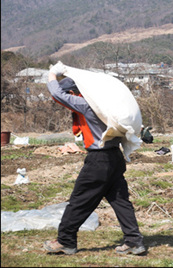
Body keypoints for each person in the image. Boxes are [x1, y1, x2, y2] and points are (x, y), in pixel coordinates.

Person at [43, 67, 145, 256]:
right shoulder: (108, 106)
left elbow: (57, 93)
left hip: (99, 160)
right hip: (115, 157)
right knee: (121, 201)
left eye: (71, 94)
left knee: (79, 201)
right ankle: (133, 241)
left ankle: (65, 241)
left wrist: (52, 74)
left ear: (75, 92)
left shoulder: (87, 105)